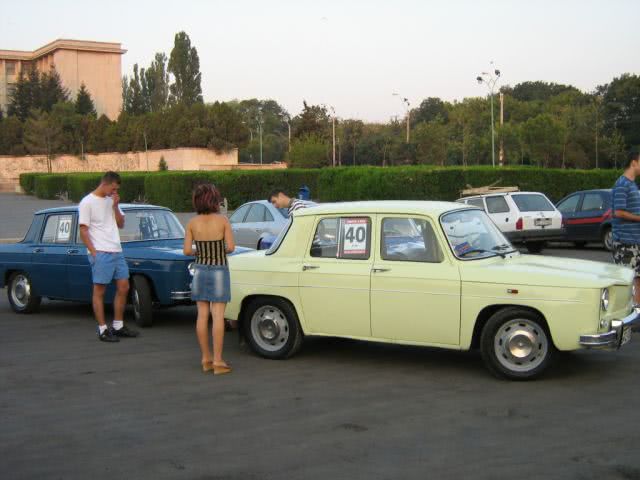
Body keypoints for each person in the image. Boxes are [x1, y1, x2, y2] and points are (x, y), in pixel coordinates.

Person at [78, 171, 139, 342]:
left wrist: (115, 206)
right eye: (113, 188)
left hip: (116, 250)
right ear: (105, 184)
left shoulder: (112, 201)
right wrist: (94, 252)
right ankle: (102, 329)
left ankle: (118, 325)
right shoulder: (87, 202)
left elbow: (121, 224)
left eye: (116, 190)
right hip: (100, 251)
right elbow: (83, 230)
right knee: (99, 290)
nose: (115, 192)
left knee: (124, 286)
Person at [184, 183, 235, 375]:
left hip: (199, 270)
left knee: (202, 315)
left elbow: (187, 251)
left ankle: (206, 359)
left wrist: (200, 251)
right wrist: (217, 249)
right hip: (219, 269)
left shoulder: (192, 223)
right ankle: (218, 361)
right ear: (214, 200)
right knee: (218, 315)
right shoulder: (223, 221)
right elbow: (231, 247)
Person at [612, 150, 640, 307]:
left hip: (635, 241)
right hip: (625, 243)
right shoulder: (622, 184)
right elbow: (619, 212)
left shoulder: (632, 185)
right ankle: (624, 312)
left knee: (637, 278)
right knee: (626, 280)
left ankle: (637, 312)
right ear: (634, 163)